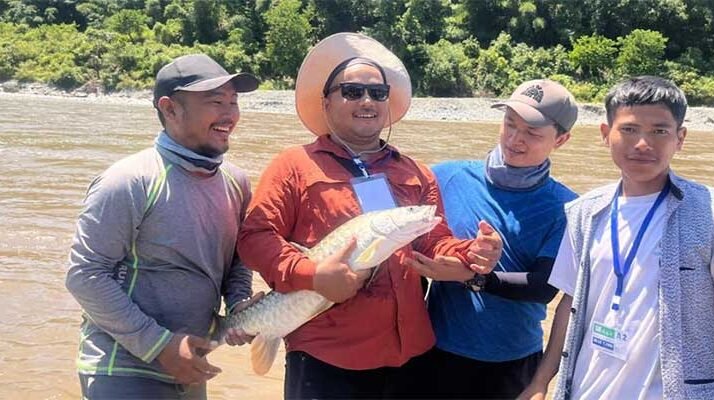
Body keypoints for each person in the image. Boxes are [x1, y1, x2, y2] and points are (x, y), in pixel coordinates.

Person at [236, 32, 502, 399]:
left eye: (378, 93)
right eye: (351, 91)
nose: (366, 101)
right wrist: (311, 274)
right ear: (325, 102)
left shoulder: (417, 173)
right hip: (326, 358)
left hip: (410, 356)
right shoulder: (293, 166)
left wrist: (471, 254)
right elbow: (255, 238)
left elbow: (434, 242)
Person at [523, 76, 714, 400]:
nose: (642, 144)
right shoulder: (584, 213)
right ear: (606, 135)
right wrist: (540, 383)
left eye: (659, 131)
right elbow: (569, 303)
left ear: (680, 138)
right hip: (584, 390)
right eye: (630, 129)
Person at [65, 54, 263, 399]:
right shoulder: (129, 180)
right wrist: (159, 346)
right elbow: (85, 274)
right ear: (170, 109)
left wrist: (237, 307)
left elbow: (236, 262)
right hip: (123, 369)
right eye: (216, 102)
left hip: (189, 365)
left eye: (234, 102)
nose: (230, 114)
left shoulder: (236, 182)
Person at [405, 79, 578, 399]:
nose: (515, 139)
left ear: (562, 139)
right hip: (437, 350)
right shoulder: (444, 177)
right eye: (510, 124)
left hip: (513, 361)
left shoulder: (567, 207)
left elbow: (544, 288)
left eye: (532, 133)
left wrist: (473, 277)